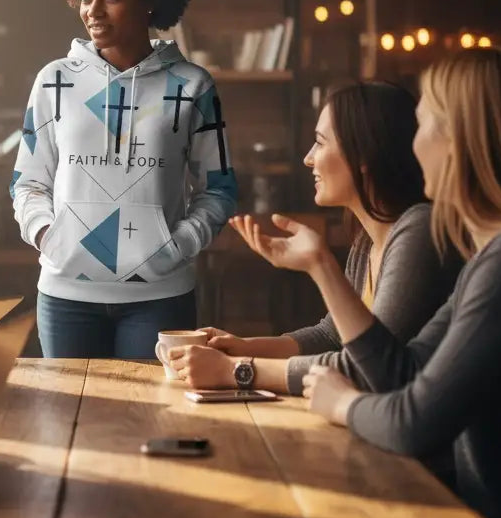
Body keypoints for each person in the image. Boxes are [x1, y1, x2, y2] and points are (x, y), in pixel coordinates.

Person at [11, 0, 238, 518]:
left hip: (158, 300)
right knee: (81, 456)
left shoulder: (194, 84)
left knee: (145, 457)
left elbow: (222, 192)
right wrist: (51, 236)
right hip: (66, 298)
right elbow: (26, 183)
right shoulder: (52, 83)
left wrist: (176, 248)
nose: (93, 10)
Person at [298, 48, 501, 518]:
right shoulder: (498, 254)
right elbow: (400, 370)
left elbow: (412, 421)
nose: (413, 144)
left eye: (427, 123)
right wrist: (324, 268)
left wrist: (340, 403)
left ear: (465, 140)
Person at [168, 81, 461, 400]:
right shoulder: (368, 241)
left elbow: (367, 369)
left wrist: (236, 369)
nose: (309, 159)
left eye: (320, 143)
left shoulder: (418, 232)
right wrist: (241, 345)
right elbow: (332, 335)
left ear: (363, 154)